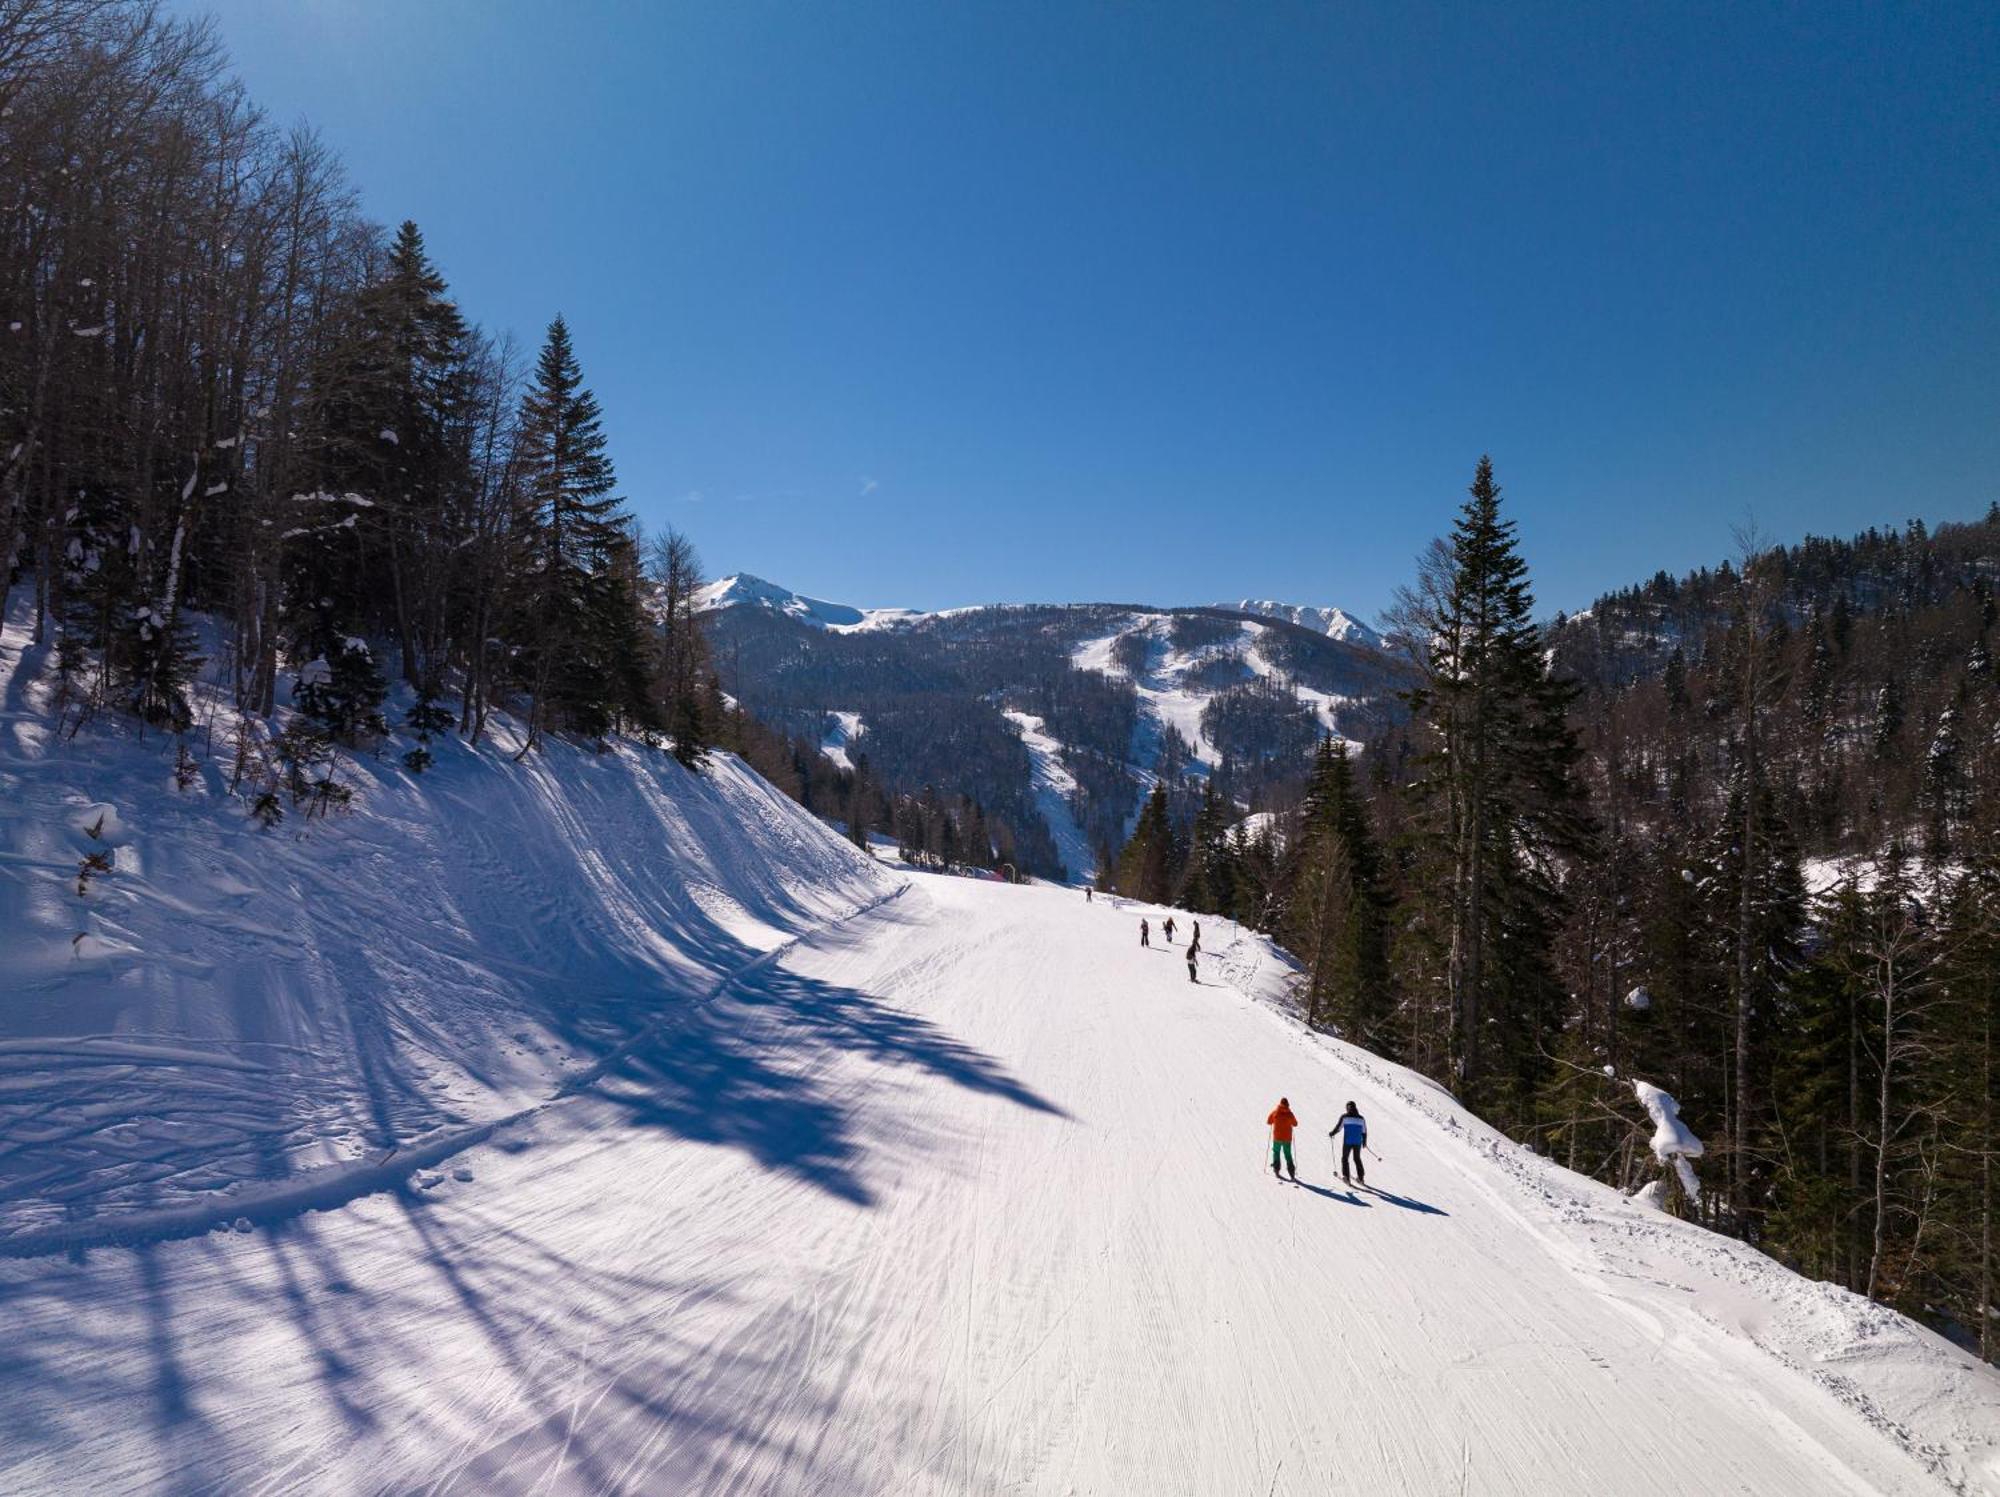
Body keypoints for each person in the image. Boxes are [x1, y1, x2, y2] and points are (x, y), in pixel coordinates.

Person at [1332, 1101, 1367, 1186]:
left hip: (1348, 1141)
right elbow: (1364, 1131)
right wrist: (1364, 1142)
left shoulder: (1345, 1117)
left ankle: (1346, 1177)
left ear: (1347, 1108)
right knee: (1357, 1158)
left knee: (1345, 1158)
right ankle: (1361, 1178)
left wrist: (1332, 1133)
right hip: (1358, 1141)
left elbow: (1339, 1127)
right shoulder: (1361, 1118)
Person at [1267, 1097, 1299, 1180]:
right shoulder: (1290, 1114)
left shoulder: (1275, 1112)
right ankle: (1291, 1172)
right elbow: (1295, 1124)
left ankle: (1276, 1169)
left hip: (1277, 1137)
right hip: (1287, 1139)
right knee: (1288, 1154)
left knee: (1276, 1152)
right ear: (1287, 1104)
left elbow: (1269, 1121)